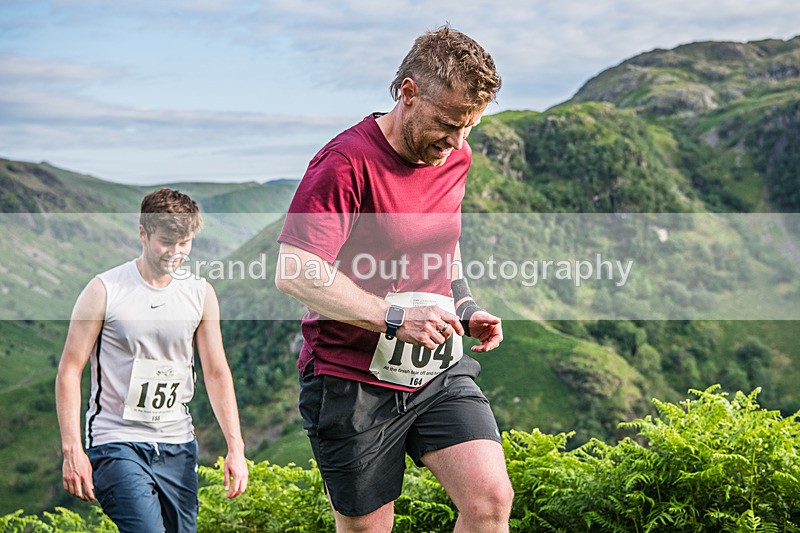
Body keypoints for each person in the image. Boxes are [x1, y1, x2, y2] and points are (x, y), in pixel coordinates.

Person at [275, 25, 514, 532]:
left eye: (469, 127)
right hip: (349, 380)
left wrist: (466, 307)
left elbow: (441, 246)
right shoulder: (344, 163)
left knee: (490, 502)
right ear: (408, 92)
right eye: (448, 123)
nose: (455, 142)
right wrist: (393, 317)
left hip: (435, 369)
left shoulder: (455, 156)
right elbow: (295, 271)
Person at [55, 188, 248, 533]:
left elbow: (216, 373)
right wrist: (72, 450)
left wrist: (236, 447)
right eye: (165, 242)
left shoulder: (200, 293)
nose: (175, 254)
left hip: (178, 444)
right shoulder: (105, 290)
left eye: (184, 243)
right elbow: (70, 369)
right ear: (143, 233)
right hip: (116, 440)